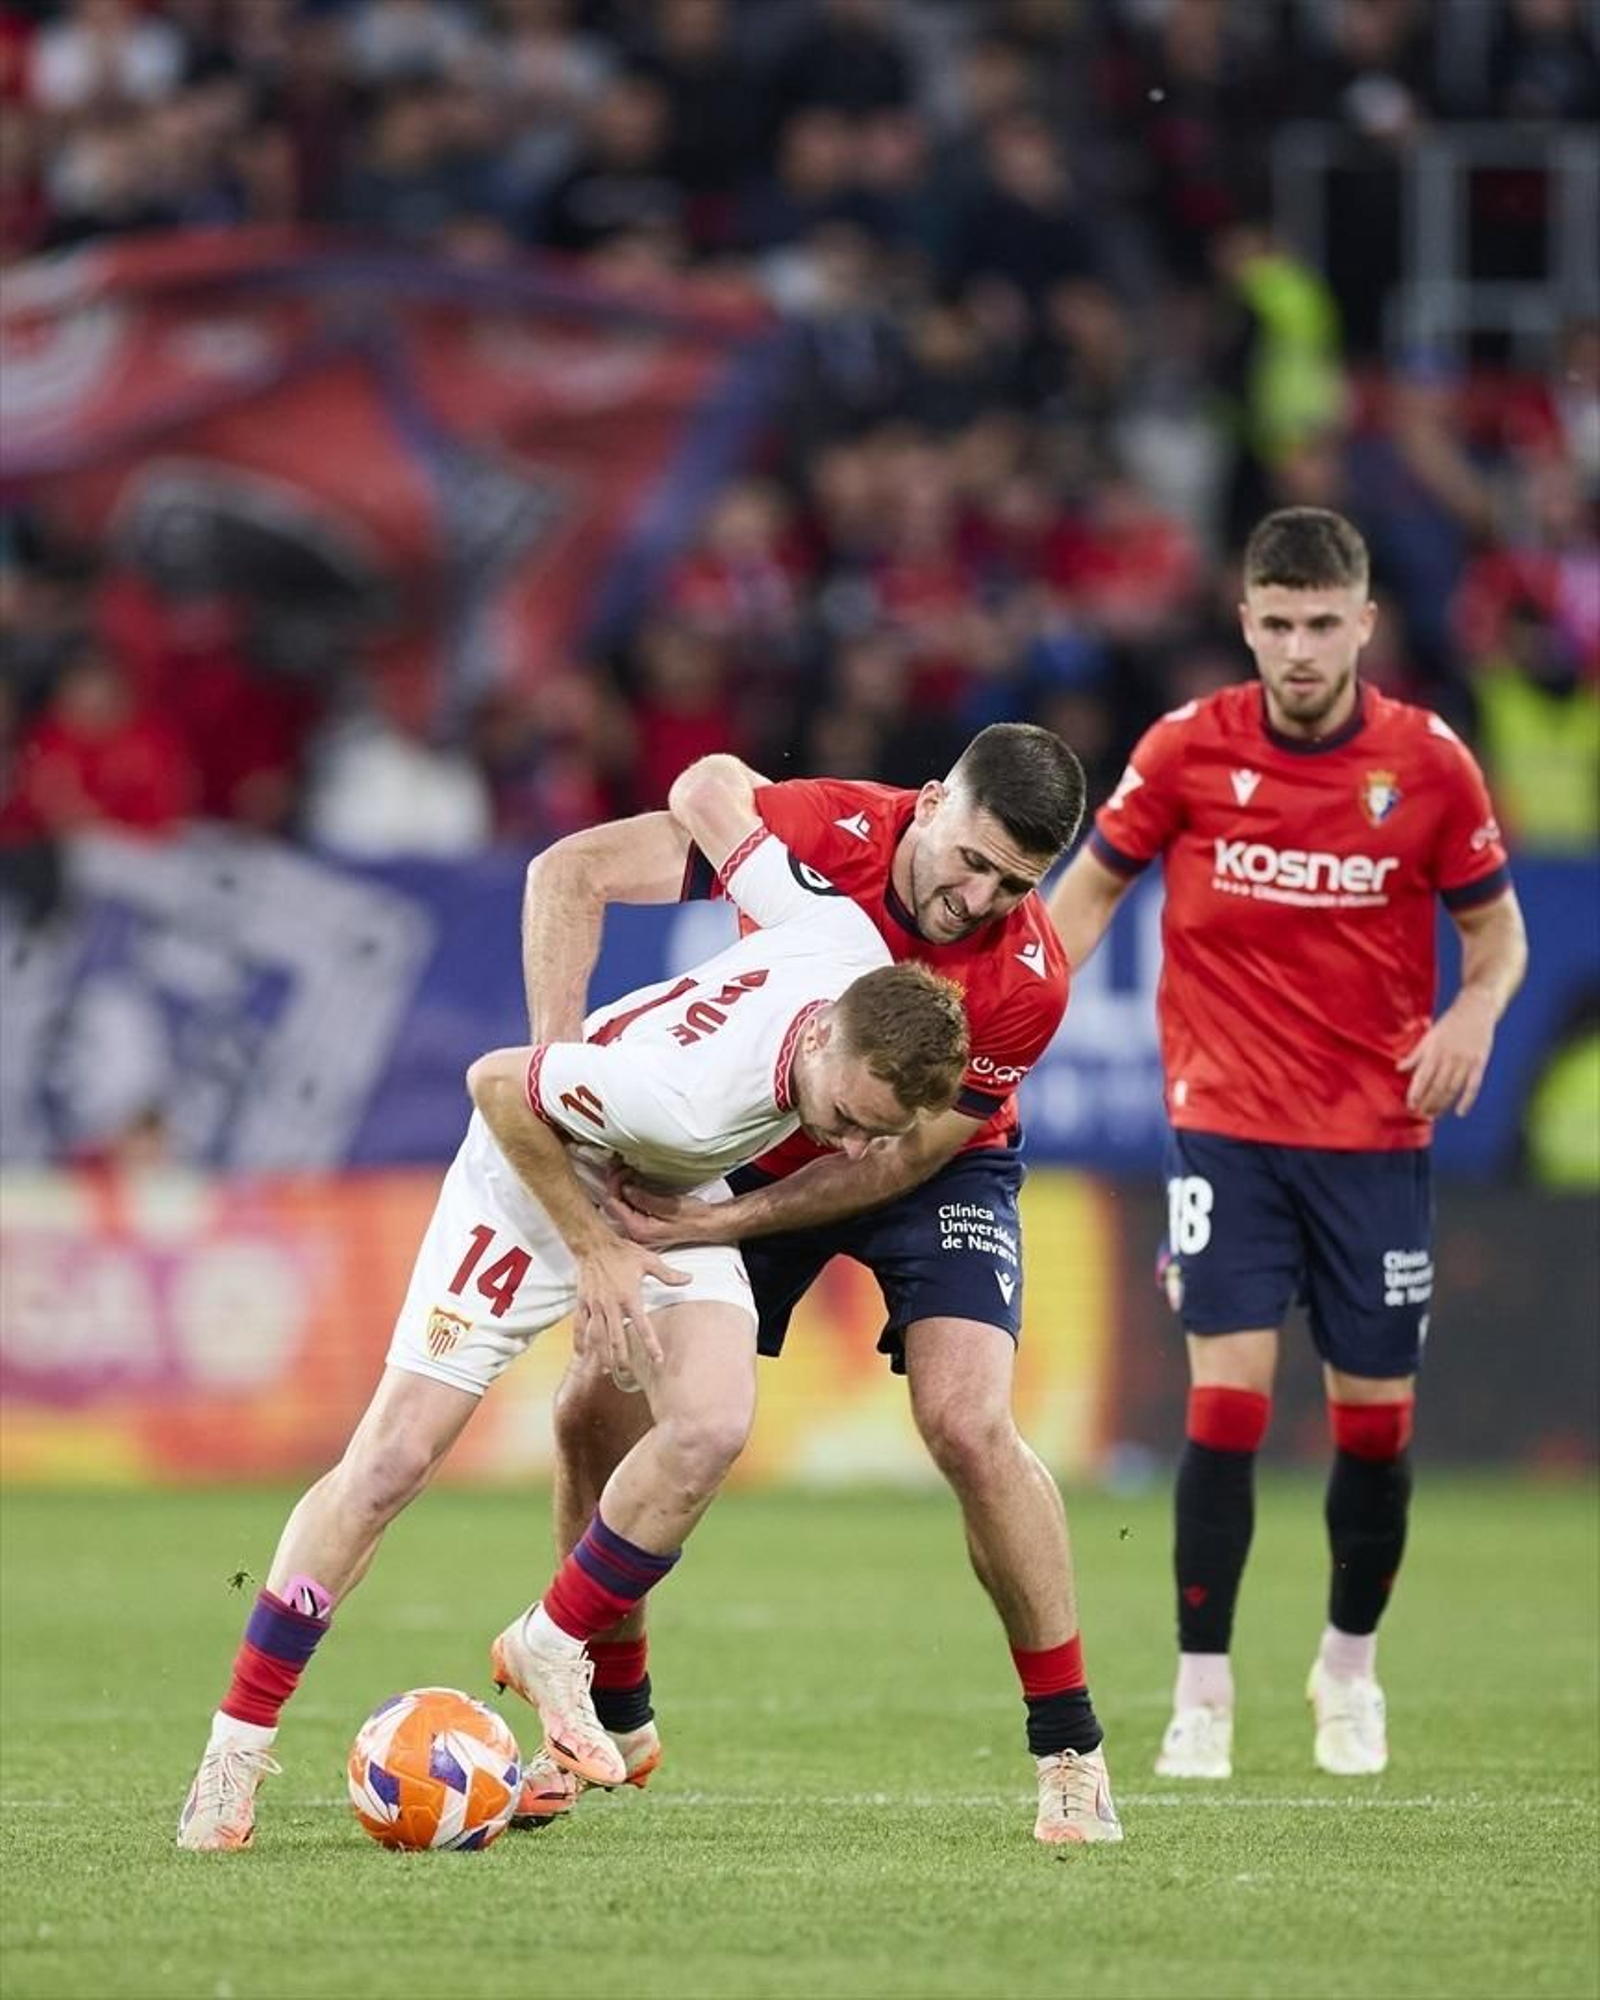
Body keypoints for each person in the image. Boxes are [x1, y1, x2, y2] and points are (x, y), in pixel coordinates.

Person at [176, 758, 970, 1850]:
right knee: (392, 1460)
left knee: (712, 1419)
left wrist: (719, 789)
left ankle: (557, 1640)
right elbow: (502, 1081)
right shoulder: (691, 1102)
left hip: (653, 1183)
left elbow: (716, 794)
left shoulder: (848, 947)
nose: (839, 1141)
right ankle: (235, 1748)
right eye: (844, 1110)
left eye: (867, 1132)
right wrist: (593, 1249)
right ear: (828, 1034)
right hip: (528, 1174)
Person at [519, 721, 1124, 1847]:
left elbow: (896, 1155)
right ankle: (607, 1702)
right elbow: (604, 848)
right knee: (594, 1403)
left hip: (920, 1167)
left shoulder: (1027, 979)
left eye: (1014, 882)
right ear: (933, 799)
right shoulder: (831, 830)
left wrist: (724, 1220)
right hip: (759, 1137)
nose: (981, 896)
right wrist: (563, 1075)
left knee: (969, 1421)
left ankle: (1070, 1747)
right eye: (973, 858)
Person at [1047, 506, 1528, 1779]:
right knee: (1226, 1399)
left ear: (1364, 623)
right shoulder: (1185, 750)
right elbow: (1088, 888)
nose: (1301, 649)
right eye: (1278, 623)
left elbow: (1497, 937)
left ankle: (1347, 1667)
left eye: (1325, 624)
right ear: (1243, 619)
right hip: (1225, 1125)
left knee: (1373, 1421)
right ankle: (1201, 1693)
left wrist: (1473, 1012)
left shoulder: (1428, 765)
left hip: (1374, 1134)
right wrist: (1016, 1006)